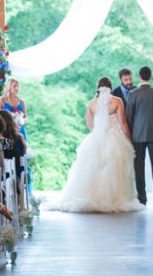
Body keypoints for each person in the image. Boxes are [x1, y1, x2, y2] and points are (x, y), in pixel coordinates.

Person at [52, 77, 142, 213]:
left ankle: (91, 196)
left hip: (96, 137)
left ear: (98, 88)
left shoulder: (92, 104)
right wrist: (129, 139)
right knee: (114, 167)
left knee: (93, 167)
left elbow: (89, 124)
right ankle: (113, 198)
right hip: (114, 137)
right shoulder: (117, 101)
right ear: (110, 88)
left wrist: (98, 131)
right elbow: (123, 123)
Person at [126, 66, 153, 208]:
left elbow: (129, 117)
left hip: (137, 135)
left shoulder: (133, 94)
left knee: (139, 167)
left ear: (139, 76)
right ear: (150, 76)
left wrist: (131, 133)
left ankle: (142, 199)